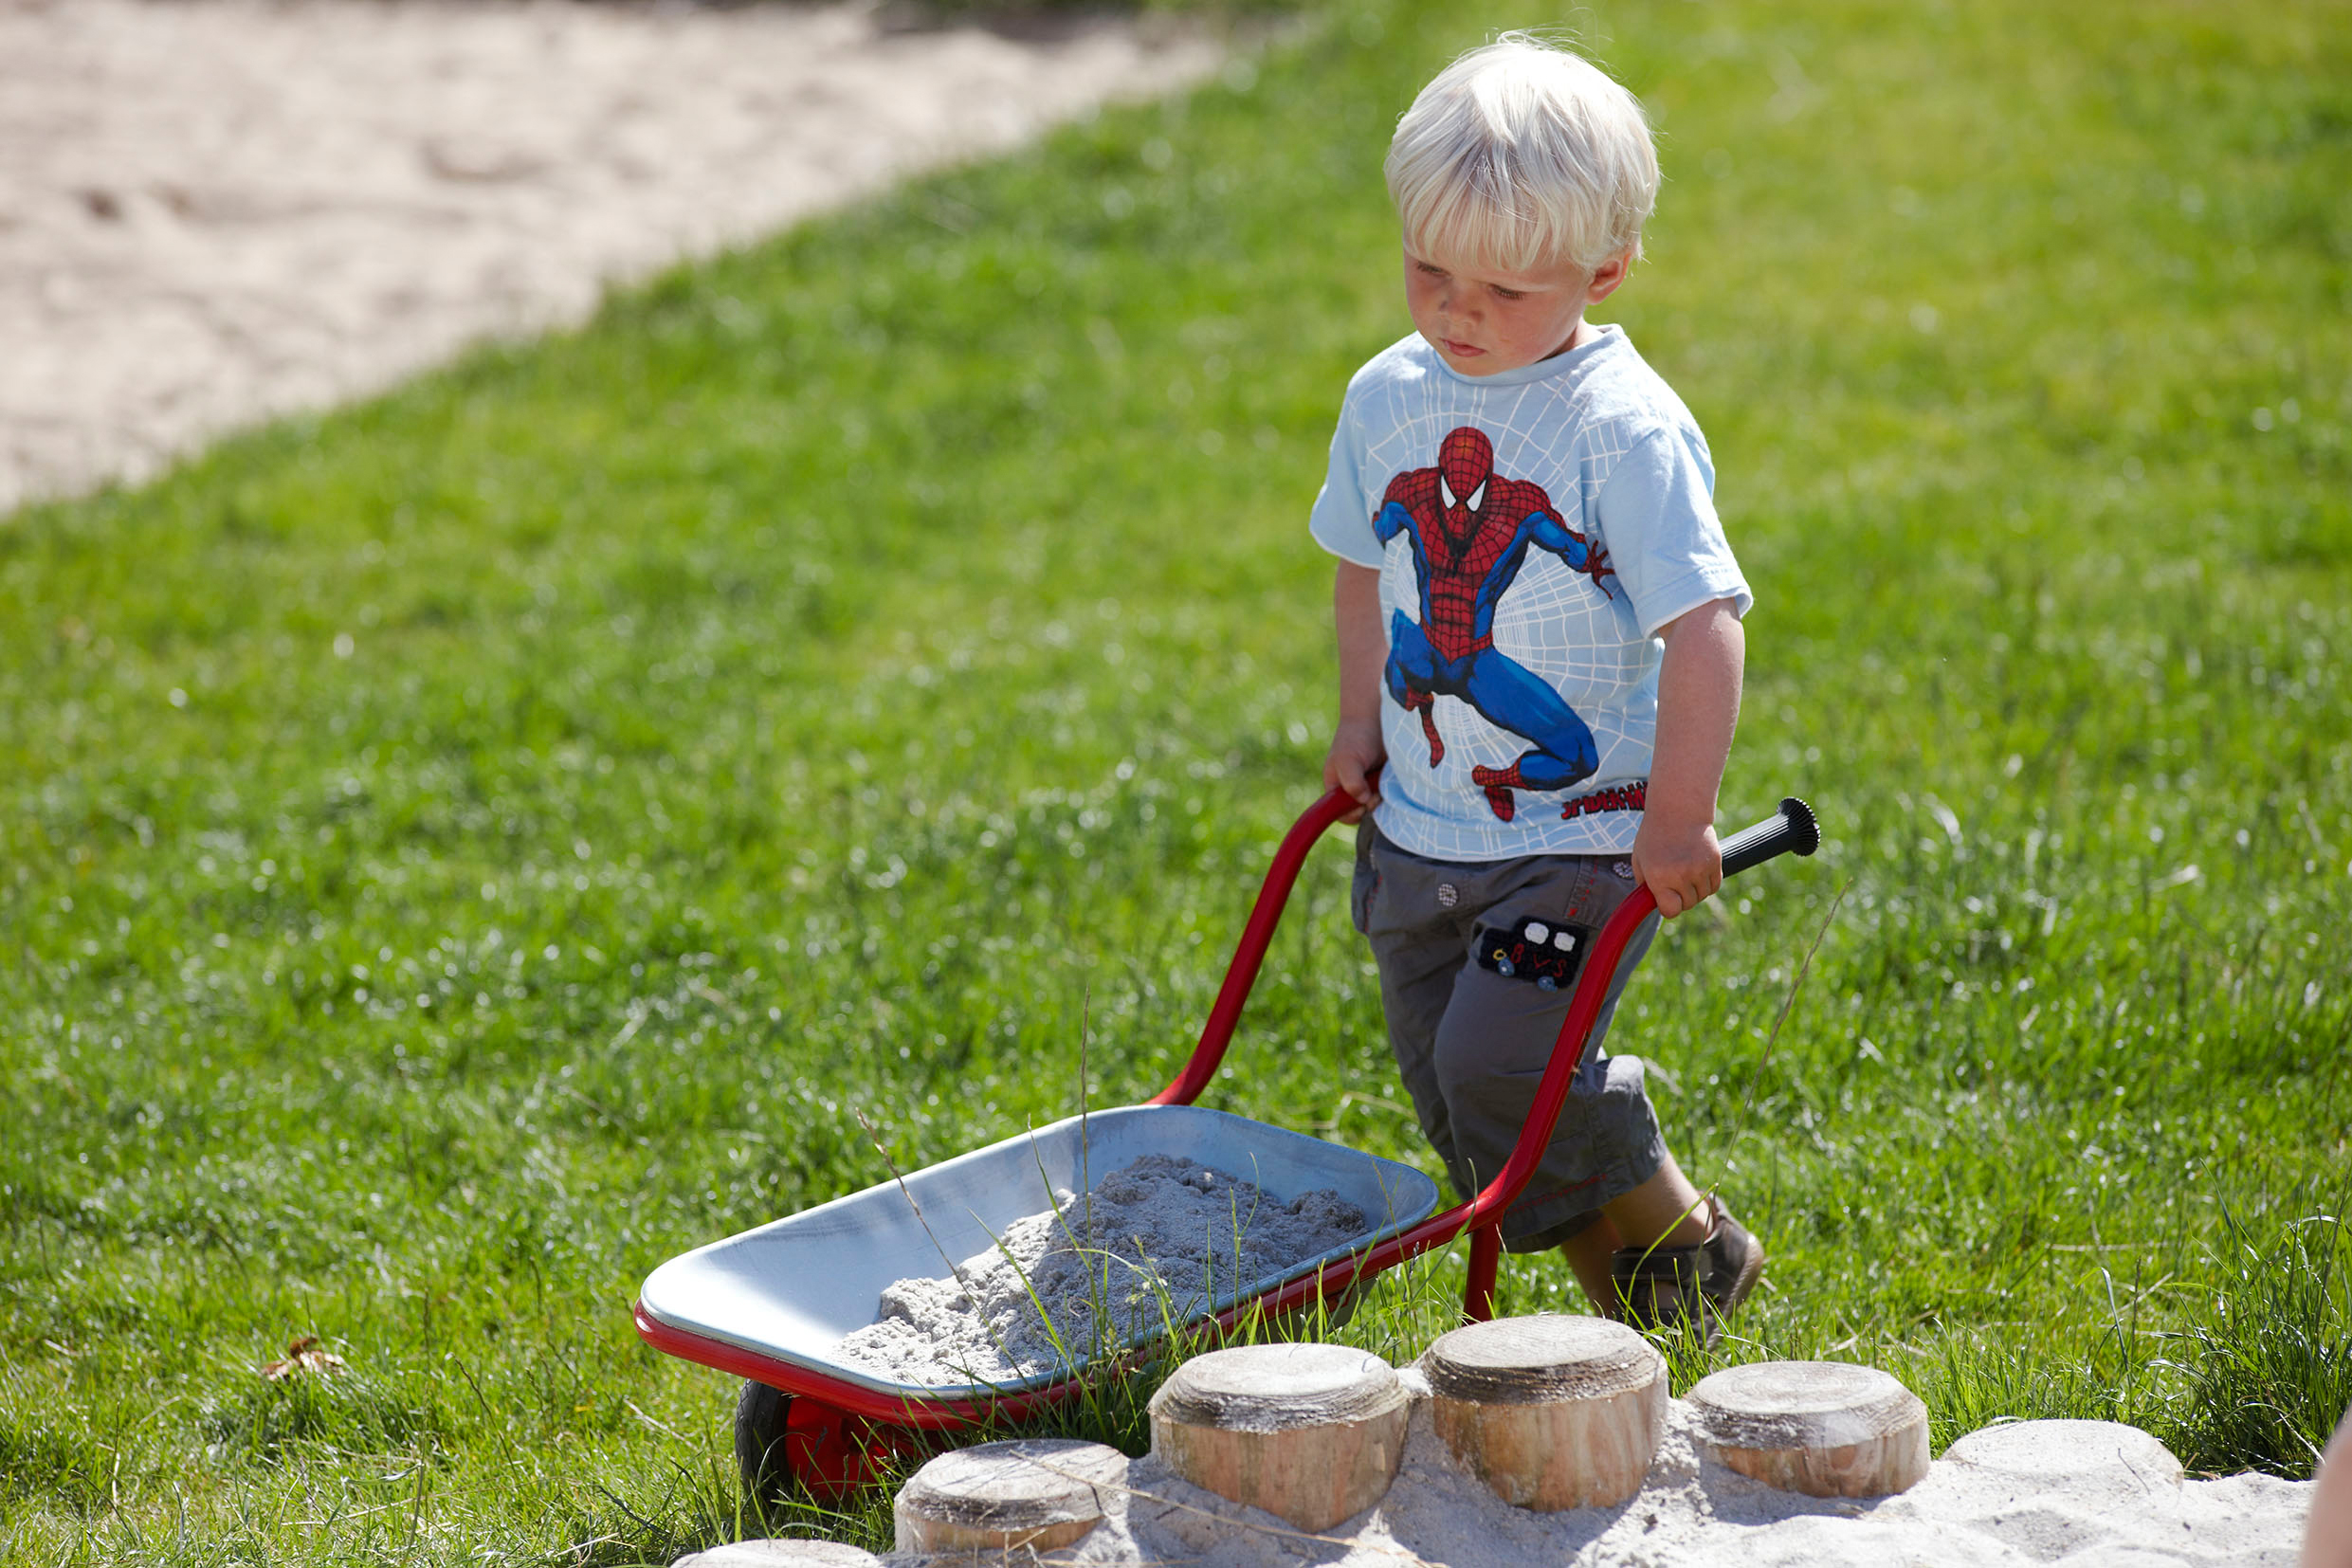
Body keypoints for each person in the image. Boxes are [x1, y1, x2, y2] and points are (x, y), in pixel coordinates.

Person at [1313, 33, 1760, 1333]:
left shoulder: (1617, 426)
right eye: (1427, 269)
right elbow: (1358, 565)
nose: (1455, 311)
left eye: (1503, 289)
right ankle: (1646, 1291)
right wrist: (1357, 720)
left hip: (1574, 836)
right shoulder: (1384, 398)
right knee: (1458, 1094)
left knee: (1501, 1061)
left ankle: (1660, 1218)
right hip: (1417, 831)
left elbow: (1705, 625)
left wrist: (1673, 817)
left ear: (1602, 271)